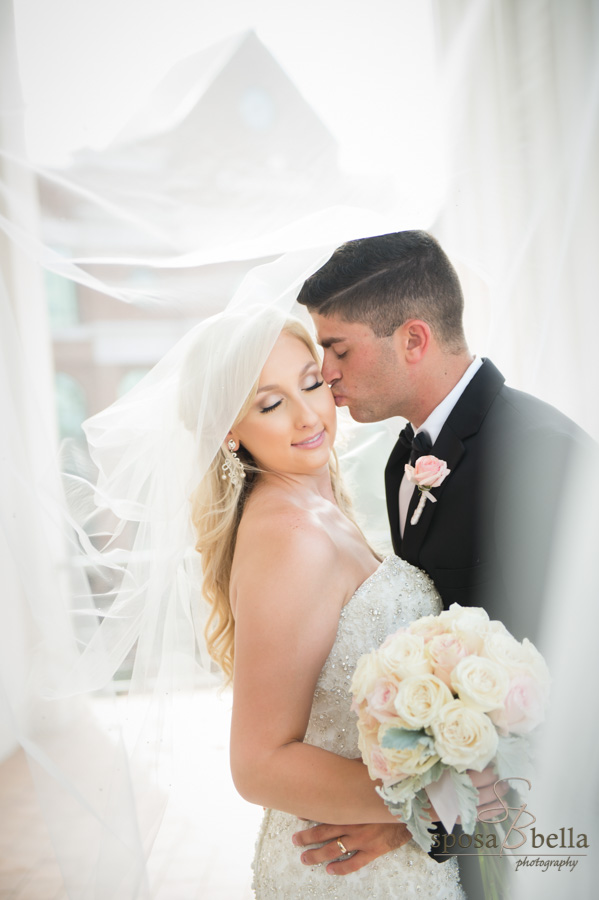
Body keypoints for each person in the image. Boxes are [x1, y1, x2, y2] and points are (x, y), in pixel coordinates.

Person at [293, 229, 591, 890]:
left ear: (413, 339)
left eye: (337, 348)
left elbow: (572, 685)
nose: (325, 372)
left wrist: (419, 821)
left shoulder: (540, 451)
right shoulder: (403, 459)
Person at [183, 311, 474, 898]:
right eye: (270, 404)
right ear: (228, 431)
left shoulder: (319, 508)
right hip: (351, 871)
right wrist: (435, 803)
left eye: (311, 383)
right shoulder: (288, 537)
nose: (307, 415)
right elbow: (259, 763)